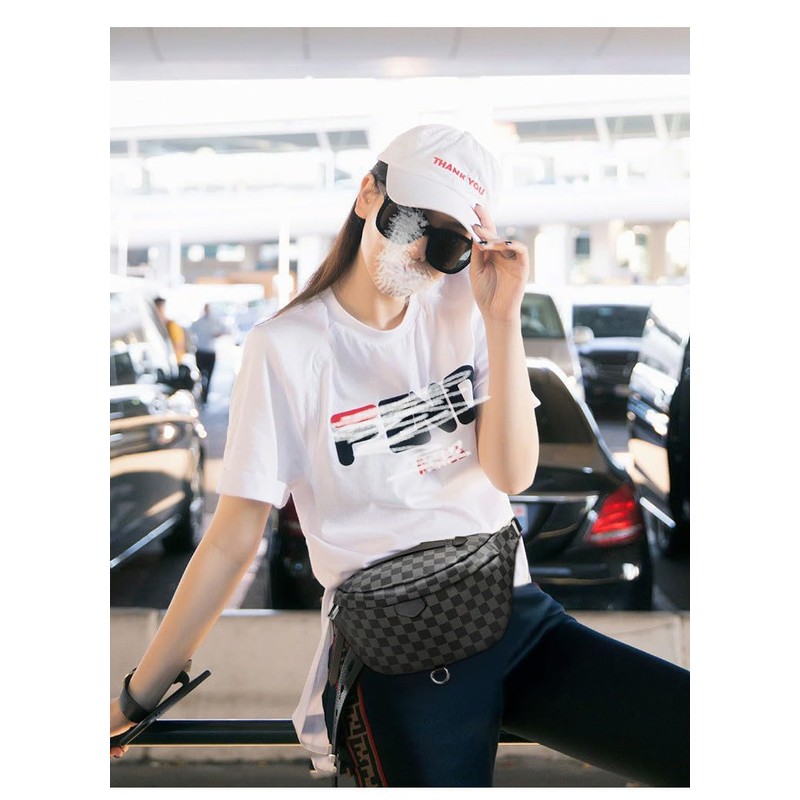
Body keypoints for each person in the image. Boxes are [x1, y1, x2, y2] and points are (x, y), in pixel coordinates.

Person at [111, 124, 689, 787]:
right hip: (397, 644)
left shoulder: (467, 308)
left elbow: (512, 472)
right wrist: (138, 697)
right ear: (368, 195)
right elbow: (230, 541)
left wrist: (502, 319)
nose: (420, 250)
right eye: (412, 219)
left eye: (448, 243)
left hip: (512, 611)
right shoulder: (286, 347)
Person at [190, 303, 224, 404]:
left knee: (208, 377)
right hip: (201, 351)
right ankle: (201, 395)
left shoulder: (215, 321)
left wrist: (218, 334)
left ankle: (205, 397)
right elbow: (190, 330)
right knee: (200, 375)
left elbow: (226, 329)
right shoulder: (199, 322)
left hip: (210, 352)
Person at [153, 296, 187, 361]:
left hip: (174, 361)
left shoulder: (172, 325)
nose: (158, 311)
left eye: (160, 307)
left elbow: (178, 346)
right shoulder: (155, 325)